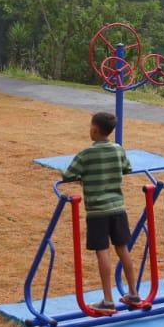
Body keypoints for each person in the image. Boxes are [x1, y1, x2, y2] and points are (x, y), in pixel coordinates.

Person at [61, 112, 140, 312]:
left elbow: (68, 175)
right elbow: (127, 168)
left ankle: (108, 299)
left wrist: (83, 178)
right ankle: (133, 292)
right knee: (123, 249)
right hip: (118, 208)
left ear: (95, 130)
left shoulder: (86, 154)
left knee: (102, 251)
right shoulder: (118, 149)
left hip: (97, 211)